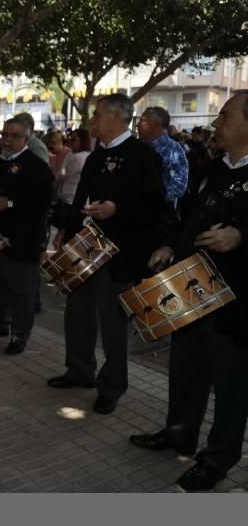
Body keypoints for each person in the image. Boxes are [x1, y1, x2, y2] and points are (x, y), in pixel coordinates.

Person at [129, 91, 248, 491]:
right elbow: (186, 218)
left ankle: (217, 459)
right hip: (191, 291)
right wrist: (168, 244)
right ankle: (179, 432)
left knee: (231, 383)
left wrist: (240, 235)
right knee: (186, 369)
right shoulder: (213, 169)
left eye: (226, 116)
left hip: (235, 303)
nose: (216, 123)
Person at [47, 94, 166, 415]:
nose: (92, 121)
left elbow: (155, 208)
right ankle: (79, 370)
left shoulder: (143, 156)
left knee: (113, 324)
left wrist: (116, 209)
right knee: (77, 311)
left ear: (116, 117)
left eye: (97, 114)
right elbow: (81, 199)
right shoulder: (96, 157)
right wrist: (67, 231)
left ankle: (111, 386)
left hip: (120, 255)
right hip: (85, 247)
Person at [0, 119, 54, 355]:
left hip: (23, 241)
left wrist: (11, 203)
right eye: (4, 134)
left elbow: (43, 201)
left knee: (21, 291)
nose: (6, 139)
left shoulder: (36, 166)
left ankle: (20, 335)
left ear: (27, 138)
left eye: (14, 135)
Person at [136, 106, 189, 207]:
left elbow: (179, 186)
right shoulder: (137, 147)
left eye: (143, 121)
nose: (137, 125)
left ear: (156, 124)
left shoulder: (173, 150)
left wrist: (148, 197)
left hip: (157, 214)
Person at [52, 128, 92, 231]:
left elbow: (62, 174)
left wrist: (58, 177)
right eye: (69, 138)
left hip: (70, 201)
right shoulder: (86, 155)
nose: (70, 142)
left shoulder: (78, 157)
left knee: (64, 233)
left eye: (73, 139)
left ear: (82, 141)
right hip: (74, 200)